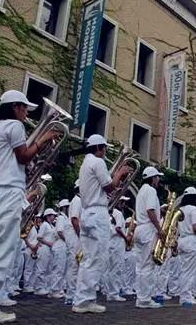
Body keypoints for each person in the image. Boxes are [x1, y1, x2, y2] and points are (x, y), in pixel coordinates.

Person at [0, 90, 58, 324]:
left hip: (4, 193)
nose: (26, 114)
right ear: (15, 107)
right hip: (6, 194)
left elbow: (21, 162)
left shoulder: (4, 126)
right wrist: (41, 140)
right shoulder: (13, 125)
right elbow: (23, 156)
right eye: (24, 109)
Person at [72, 134, 131, 314]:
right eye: (104, 148)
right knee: (96, 259)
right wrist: (120, 174)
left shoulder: (85, 163)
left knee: (89, 259)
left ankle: (82, 299)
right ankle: (85, 300)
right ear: (98, 148)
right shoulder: (97, 162)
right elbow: (109, 186)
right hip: (97, 214)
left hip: (88, 212)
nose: (106, 151)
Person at [134, 166, 165, 309]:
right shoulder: (151, 190)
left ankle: (141, 298)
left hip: (139, 228)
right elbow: (150, 210)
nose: (158, 179)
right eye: (157, 177)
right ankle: (145, 299)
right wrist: (160, 229)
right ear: (153, 178)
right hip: (148, 229)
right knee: (148, 266)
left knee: (140, 266)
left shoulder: (141, 191)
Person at [177, 187, 196, 307]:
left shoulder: (180, 209)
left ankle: (184, 295)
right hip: (191, 240)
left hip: (181, 239)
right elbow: (195, 227)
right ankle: (186, 297)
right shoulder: (193, 209)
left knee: (184, 270)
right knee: (190, 271)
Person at [104, 196, 128, 302]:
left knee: (112, 268)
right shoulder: (118, 213)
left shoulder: (112, 213)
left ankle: (111, 292)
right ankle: (113, 293)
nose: (124, 204)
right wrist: (126, 237)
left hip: (113, 242)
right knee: (116, 268)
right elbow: (118, 228)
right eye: (122, 201)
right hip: (116, 242)